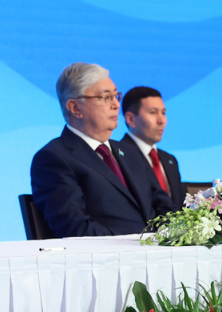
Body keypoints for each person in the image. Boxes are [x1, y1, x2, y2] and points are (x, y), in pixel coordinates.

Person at [31, 63, 174, 237]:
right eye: (105, 97)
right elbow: (77, 229)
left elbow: (165, 208)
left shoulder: (130, 152)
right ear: (75, 108)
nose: (116, 105)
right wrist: (137, 244)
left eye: (116, 96)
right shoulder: (54, 159)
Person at [115, 86, 184, 203]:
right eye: (153, 112)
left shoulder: (169, 160)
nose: (162, 120)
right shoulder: (117, 157)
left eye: (163, 113)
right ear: (130, 119)